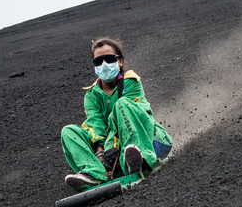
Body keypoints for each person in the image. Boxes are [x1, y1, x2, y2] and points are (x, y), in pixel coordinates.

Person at [60, 37, 173, 189]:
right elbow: (95, 122)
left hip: (150, 141)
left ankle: (139, 160)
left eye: (109, 59)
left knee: (122, 105)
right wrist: (100, 151)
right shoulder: (92, 95)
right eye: (98, 61)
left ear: (120, 61)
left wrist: (110, 146)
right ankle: (95, 173)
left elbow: (131, 115)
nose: (104, 65)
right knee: (68, 131)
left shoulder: (131, 82)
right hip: (112, 156)